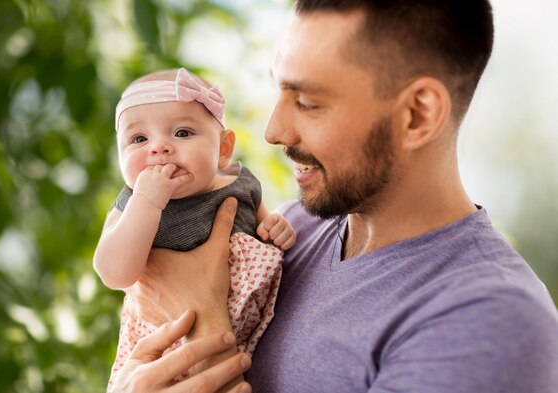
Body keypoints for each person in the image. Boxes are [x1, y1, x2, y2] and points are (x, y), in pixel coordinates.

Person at [115, 0, 558, 392]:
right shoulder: (285, 236)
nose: (274, 131)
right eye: (280, 89)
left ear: (417, 114)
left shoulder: (490, 323)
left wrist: (201, 318)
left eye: (307, 102)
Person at [93, 68, 295, 389]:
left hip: (255, 331)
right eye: (139, 139)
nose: (158, 148)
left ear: (224, 149)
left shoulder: (241, 183)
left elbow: (261, 221)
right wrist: (146, 201)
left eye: (183, 133)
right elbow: (113, 273)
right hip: (168, 344)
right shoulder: (131, 204)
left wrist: (274, 226)